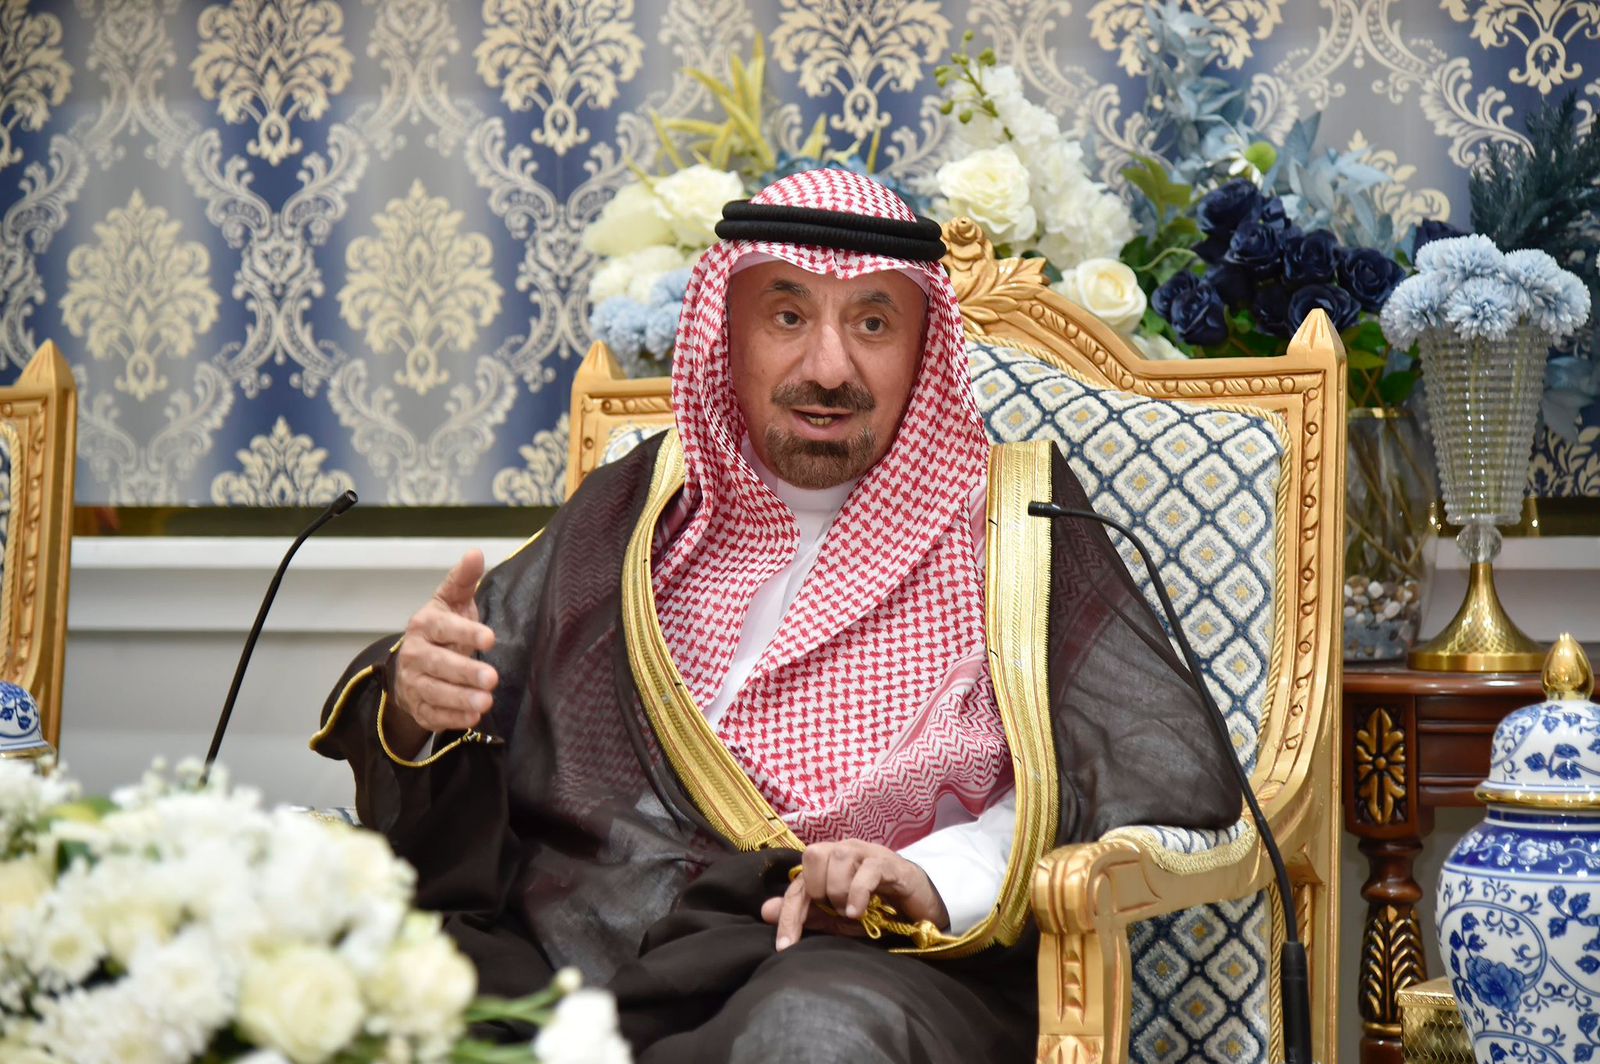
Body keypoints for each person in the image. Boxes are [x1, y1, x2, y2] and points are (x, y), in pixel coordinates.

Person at [312, 169, 1241, 1063]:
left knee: (814, 1036)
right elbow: (472, 693)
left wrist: (929, 876)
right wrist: (417, 698)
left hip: (851, 953)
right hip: (576, 945)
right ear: (729, 335)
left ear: (924, 345)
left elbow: (1135, 771)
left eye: (873, 323)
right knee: (344, 976)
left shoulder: (1016, 525)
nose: (829, 369)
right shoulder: (635, 511)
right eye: (788, 317)